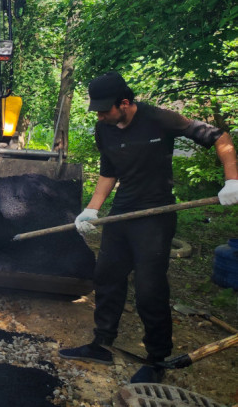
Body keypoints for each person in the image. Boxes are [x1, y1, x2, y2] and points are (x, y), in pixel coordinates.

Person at [59, 72, 238, 384]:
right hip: (123, 213)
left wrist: (232, 180)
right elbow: (109, 169)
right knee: (106, 277)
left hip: (156, 215)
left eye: (105, 110)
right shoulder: (106, 128)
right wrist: (92, 209)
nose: (100, 116)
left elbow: (219, 138)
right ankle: (101, 343)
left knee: (149, 288)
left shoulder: (160, 119)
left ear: (125, 104)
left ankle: (158, 360)